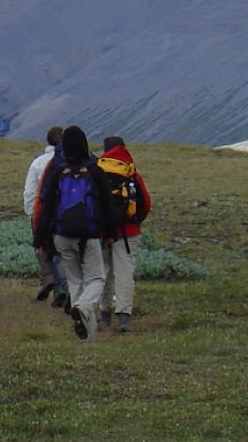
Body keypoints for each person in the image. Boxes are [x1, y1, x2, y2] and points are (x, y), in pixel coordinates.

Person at [33, 125, 117, 342]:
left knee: (75, 280)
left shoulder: (57, 172)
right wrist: (110, 233)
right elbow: (107, 205)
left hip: (61, 235)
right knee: (96, 278)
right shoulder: (95, 170)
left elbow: (46, 206)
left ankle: (86, 336)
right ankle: (84, 307)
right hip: (89, 234)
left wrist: (40, 239)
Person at [99, 135, 152, 335]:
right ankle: (123, 316)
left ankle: (104, 314)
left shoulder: (99, 170)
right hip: (128, 232)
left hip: (102, 231)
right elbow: (145, 203)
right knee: (124, 273)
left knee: (103, 272)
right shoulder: (130, 172)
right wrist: (135, 221)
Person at [24, 126, 70, 308]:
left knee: (43, 249)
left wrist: (31, 215)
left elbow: (30, 192)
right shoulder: (72, 160)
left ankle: (49, 280)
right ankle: (63, 289)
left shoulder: (38, 163)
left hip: (42, 212)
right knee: (63, 252)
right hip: (66, 214)